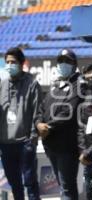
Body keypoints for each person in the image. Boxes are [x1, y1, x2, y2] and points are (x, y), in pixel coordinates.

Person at [35, 49, 83, 200]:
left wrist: (47, 127)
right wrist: (38, 124)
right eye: (61, 61)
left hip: (66, 147)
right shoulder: (56, 84)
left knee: (67, 188)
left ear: (75, 65)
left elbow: (68, 112)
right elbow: (42, 107)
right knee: (62, 187)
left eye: (67, 61)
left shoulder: (79, 84)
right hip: (51, 145)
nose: (63, 64)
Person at [0, 47, 41, 200]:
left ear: (22, 63)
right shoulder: (1, 85)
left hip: (25, 143)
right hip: (5, 144)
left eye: (13, 62)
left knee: (30, 183)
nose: (10, 65)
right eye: (7, 62)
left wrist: (32, 140)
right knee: (14, 184)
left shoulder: (32, 84)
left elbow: (37, 112)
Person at [77, 63, 92, 200]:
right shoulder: (86, 101)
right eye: (87, 78)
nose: (89, 81)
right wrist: (82, 152)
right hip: (87, 161)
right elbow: (81, 128)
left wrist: (88, 152)